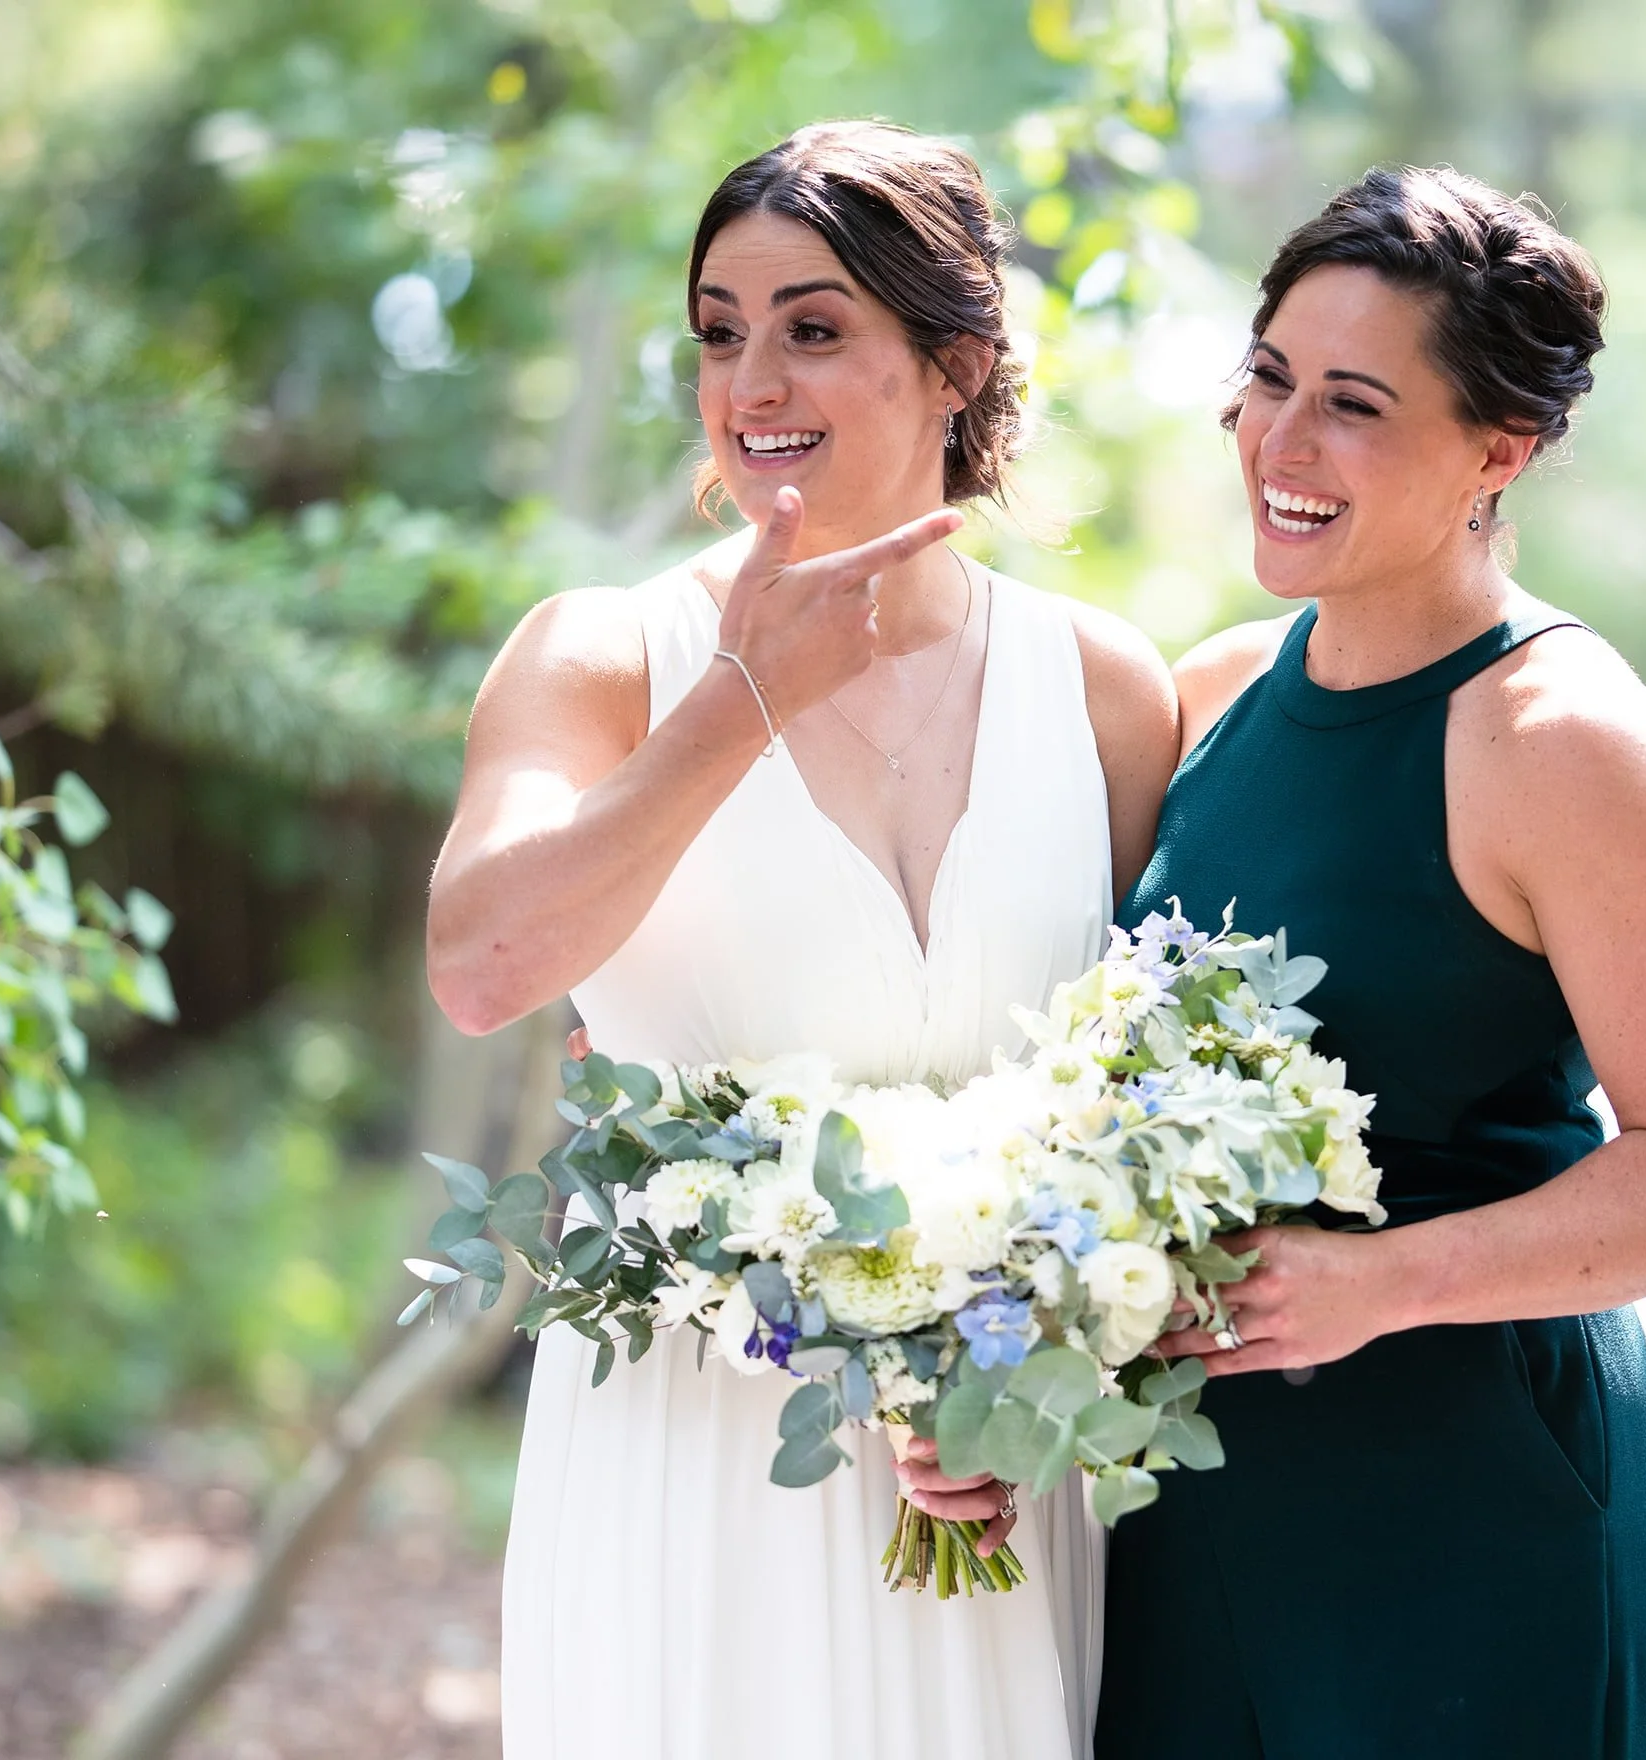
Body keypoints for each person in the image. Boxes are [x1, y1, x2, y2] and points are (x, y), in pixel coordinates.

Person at [426, 121, 1177, 1759]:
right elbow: (482, 968)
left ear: (957, 363)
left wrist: (1037, 1349)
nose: (750, 379)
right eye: (719, 330)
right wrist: (740, 697)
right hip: (701, 1472)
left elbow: (1140, 1088)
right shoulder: (603, 657)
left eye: (813, 327)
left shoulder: (1105, 691)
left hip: (998, 1483)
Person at [1092, 167, 1646, 1758]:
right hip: (1194, 1510)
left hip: (1476, 1508)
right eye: (1267, 379)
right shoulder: (1210, 695)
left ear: (1501, 448)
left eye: (1354, 404)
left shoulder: (1565, 740)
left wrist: (1376, 1286)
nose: (1281, 443)